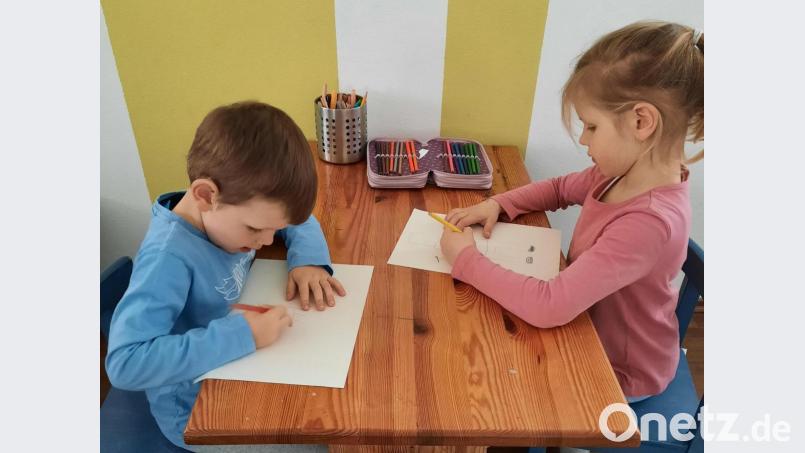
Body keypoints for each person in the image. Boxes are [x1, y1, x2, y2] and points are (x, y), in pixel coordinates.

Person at [439, 21, 703, 401]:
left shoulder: (649, 221)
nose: (583, 139)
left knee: (481, 383)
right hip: (585, 331)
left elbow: (551, 306)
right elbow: (560, 188)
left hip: (619, 373)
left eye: (591, 126)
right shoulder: (618, 174)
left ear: (641, 122)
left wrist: (465, 259)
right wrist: (499, 203)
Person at [106, 101, 346, 450]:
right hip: (196, 411)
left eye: (272, 231)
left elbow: (296, 219)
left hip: (248, 371)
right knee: (319, 441)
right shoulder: (167, 260)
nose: (264, 242)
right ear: (206, 196)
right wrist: (241, 335)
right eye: (254, 230)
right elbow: (125, 363)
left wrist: (306, 260)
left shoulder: (232, 208)